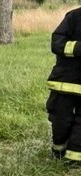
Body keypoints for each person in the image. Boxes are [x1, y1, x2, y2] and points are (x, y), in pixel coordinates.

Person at [47, 7, 81, 161]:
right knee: (60, 119)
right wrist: (79, 48)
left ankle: (74, 159)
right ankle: (58, 152)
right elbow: (57, 43)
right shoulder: (74, 16)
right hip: (65, 82)